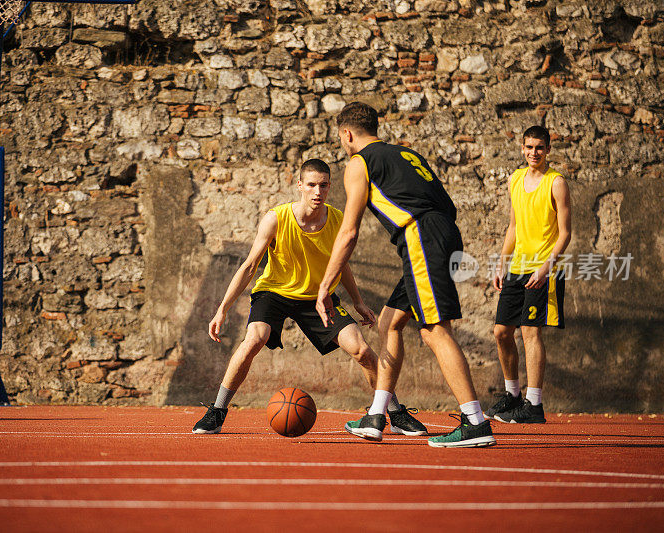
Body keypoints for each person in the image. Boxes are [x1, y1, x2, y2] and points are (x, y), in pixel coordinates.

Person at [193, 158, 428, 437]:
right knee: (255, 339)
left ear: (329, 188)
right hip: (275, 292)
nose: (318, 191)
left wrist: (358, 301)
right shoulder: (276, 218)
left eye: (324, 185)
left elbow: (342, 263)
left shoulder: (338, 220)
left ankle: (395, 412)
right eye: (312, 185)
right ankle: (217, 412)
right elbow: (249, 266)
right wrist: (222, 309)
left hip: (318, 298)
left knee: (362, 349)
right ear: (300, 186)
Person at [315, 102, 495, 447]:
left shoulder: (358, 163)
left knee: (434, 331)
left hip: (421, 237)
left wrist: (326, 285)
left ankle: (475, 422)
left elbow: (349, 232)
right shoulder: (407, 155)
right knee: (389, 323)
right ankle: (377, 415)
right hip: (440, 233)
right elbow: (448, 206)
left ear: (346, 134)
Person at [485, 125, 571, 424]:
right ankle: (513, 395)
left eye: (539, 147)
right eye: (529, 147)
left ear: (548, 149)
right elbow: (513, 226)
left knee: (530, 332)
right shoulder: (516, 179)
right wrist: (501, 263)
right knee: (501, 332)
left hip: (544, 269)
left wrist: (546, 267)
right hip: (517, 268)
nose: (533, 152)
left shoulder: (556, 182)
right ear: (522, 148)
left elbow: (565, 233)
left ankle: (534, 405)